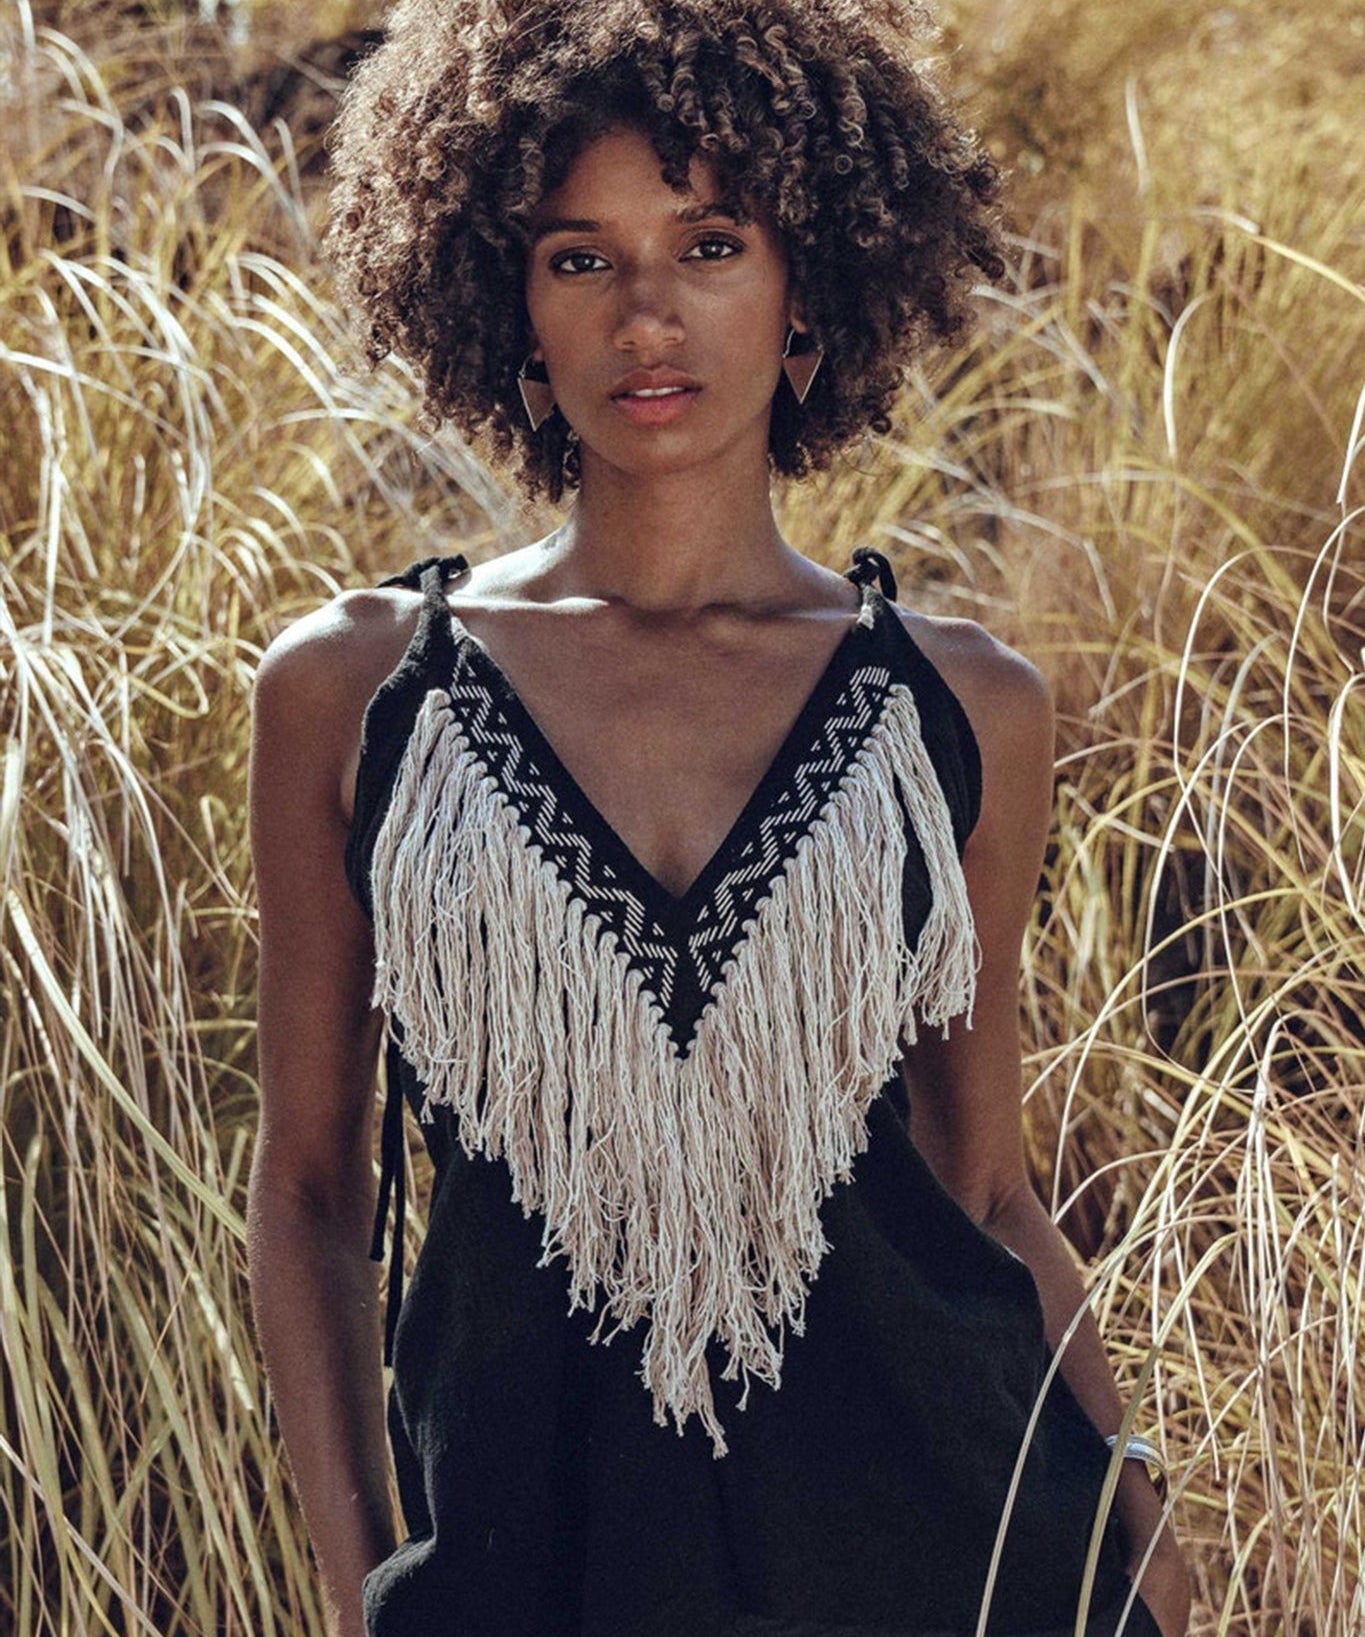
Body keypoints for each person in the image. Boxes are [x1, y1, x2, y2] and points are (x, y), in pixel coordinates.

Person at [246, 3, 1194, 1635]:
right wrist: (363, 1588)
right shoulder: (356, 689)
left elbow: (977, 1192)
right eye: (578, 257)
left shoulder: (962, 708)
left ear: (807, 282)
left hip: (948, 1554)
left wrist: (1141, 1526)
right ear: (507, 307)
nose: (648, 315)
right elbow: (312, 1191)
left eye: (708, 241)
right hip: (527, 1565)